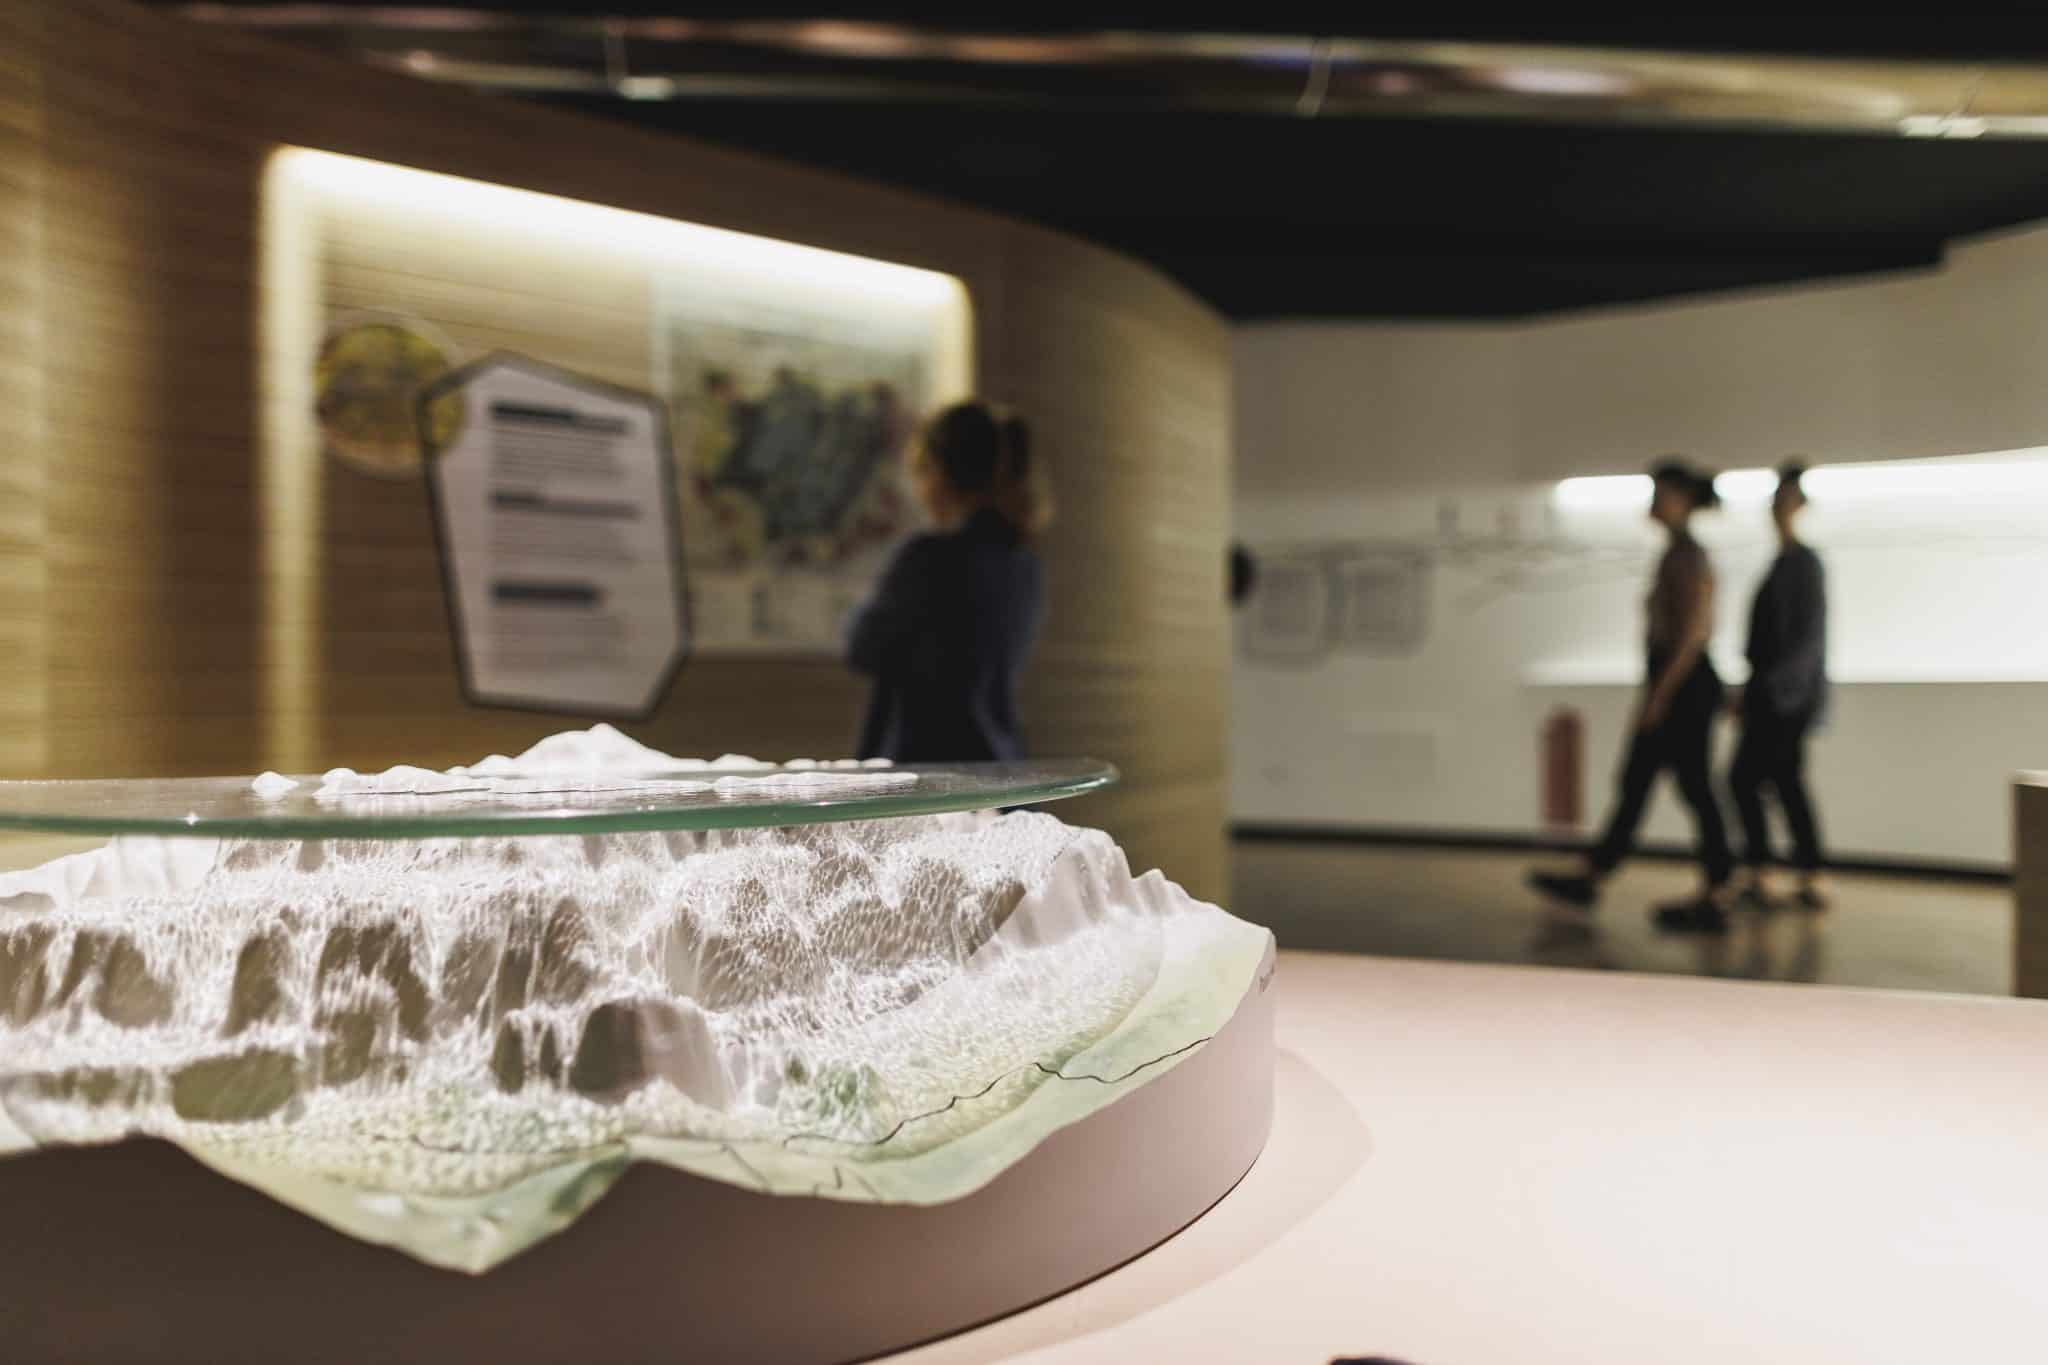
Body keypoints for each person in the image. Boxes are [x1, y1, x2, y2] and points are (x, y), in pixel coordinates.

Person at [1529, 458, 1736, 932]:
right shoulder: (1678, 553)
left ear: (1681, 500)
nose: (1654, 502)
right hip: (1676, 682)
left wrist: (1661, 695)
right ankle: (1594, 873)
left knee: (1694, 786)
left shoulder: (1688, 556)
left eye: (1661, 494)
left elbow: (1692, 634)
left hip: (1683, 684)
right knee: (1639, 780)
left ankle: (1718, 889)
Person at [846, 400, 1048, 762]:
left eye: (921, 471)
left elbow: (863, 646)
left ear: (939, 472)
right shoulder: (1024, 565)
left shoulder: (929, 556)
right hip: (999, 761)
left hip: (927, 765)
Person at [1728, 463, 1829, 909]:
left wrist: (1778, 691)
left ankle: (1805, 872)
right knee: (1755, 780)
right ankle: (1772, 870)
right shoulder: (1782, 564)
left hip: (1785, 697)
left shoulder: (1803, 565)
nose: (1777, 510)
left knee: (1774, 780)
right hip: (1770, 692)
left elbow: (1806, 640)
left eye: (1785, 501)